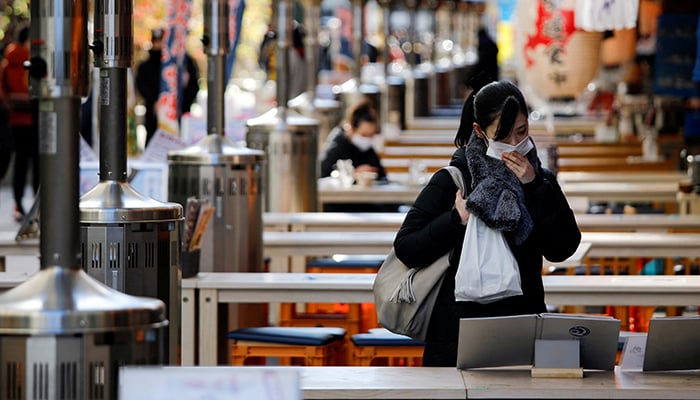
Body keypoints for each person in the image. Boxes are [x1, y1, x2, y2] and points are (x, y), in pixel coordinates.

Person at [393, 76, 581, 367]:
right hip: (458, 337)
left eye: (522, 131)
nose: (515, 144)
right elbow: (406, 247)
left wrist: (533, 187)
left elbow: (563, 248)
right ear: (479, 132)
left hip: (522, 332)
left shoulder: (539, 179)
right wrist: (456, 219)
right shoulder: (454, 180)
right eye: (503, 135)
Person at [0, 26, 39, 222]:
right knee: (38, 164)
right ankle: (38, 205)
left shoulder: (7, 63)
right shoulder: (34, 62)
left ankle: (18, 204)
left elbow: (2, 93)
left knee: (21, 164)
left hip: (15, 121)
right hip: (34, 119)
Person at [136, 28, 199, 145]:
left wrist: (182, 103)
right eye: (157, 42)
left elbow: (193, 86)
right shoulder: (146, 65)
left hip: (180, 112)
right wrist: (156, 100)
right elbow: (142, 85)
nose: (160, 45)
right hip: (154, 113)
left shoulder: (184, 62)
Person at [320, 99, 386, 181]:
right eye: (364, 135)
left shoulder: (368, 150)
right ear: (351, 129)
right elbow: (323, 176)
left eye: (371, 135)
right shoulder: (336, 148)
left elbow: (382, 176)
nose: (367, 139)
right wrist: (352, 174)